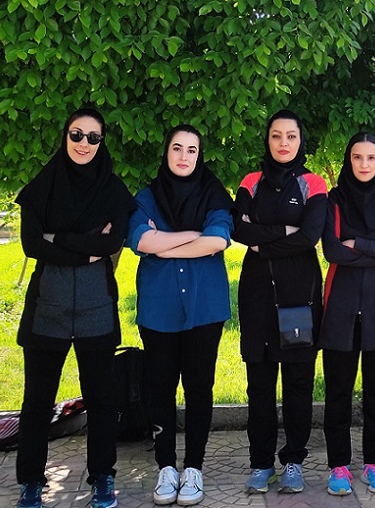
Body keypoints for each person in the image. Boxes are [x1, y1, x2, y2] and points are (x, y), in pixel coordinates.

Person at [13, 107, 136, 508]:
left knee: (102, 400)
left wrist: (58, 238)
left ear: (102, 142)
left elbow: (111, 243)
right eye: (76, 135)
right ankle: (31, 481)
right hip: (47, 307)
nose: (84, 143)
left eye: (93, 137)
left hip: (96, 307)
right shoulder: (42, 187)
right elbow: (32, 244)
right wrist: (86, 248)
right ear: (65, 136)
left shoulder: (113, 190)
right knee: (37, 402)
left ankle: (102, 476)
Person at [127, 125, 234, 506]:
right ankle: (166, 466)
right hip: (159, 307)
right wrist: (192, 236)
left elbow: (218, 239)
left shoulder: (214, 193)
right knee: (160, 387)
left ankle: (193, 467)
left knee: (199, 387)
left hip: (205, 308)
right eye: (177, 148)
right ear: (166, 152)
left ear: (199, 155)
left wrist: (163, 247)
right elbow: (140, 239)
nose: (184, 156)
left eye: (191, 150)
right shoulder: (146, 197)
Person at [232, 110, 328, 495]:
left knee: (298, 384)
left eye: (291, 136)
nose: (283, 143)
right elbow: (238, 229)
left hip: (299, 298)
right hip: (256, 296)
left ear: (300, 140)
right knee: (259, 385)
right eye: (276, 135)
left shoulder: (313, 182)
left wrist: (263, 242)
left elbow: (309, 236)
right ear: (267, 139)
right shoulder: (250, 181)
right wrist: (284, 230)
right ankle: (260, 463)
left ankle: (293, 461)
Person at [320, 132, 375, 496]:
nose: (364, 164)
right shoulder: (335, 199)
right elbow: (332, 251)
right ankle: (338, 465)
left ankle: (374, 463)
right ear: (348, 160)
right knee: (338, 392)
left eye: (371, 158)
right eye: (357, 157)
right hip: (340, 308)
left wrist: (356, 242)